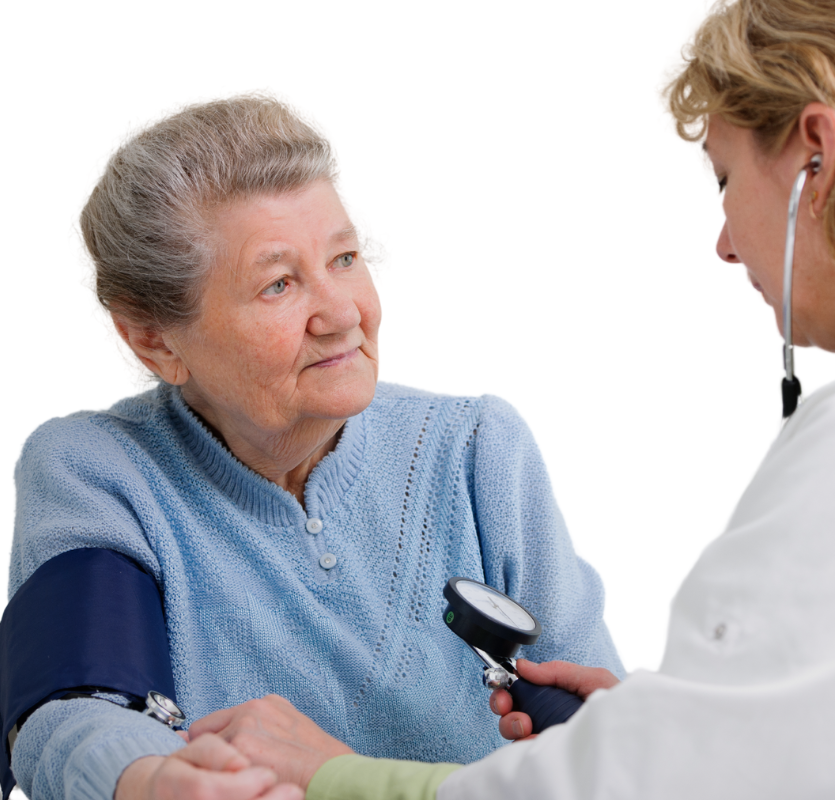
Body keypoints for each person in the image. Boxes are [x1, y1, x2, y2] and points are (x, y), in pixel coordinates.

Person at [190, 0, 835, 797]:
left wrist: (336, 774)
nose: (723, 240)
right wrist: (672, 721)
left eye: (722, 179)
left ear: (813, 152)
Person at [2, 96, 622, 800]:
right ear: (154, 339)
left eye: (346, 257)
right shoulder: (100, 472)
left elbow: (611, 739)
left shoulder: (475, 453)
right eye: (279, 284)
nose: (342, 314)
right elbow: (76, 707)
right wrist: (155, 780)